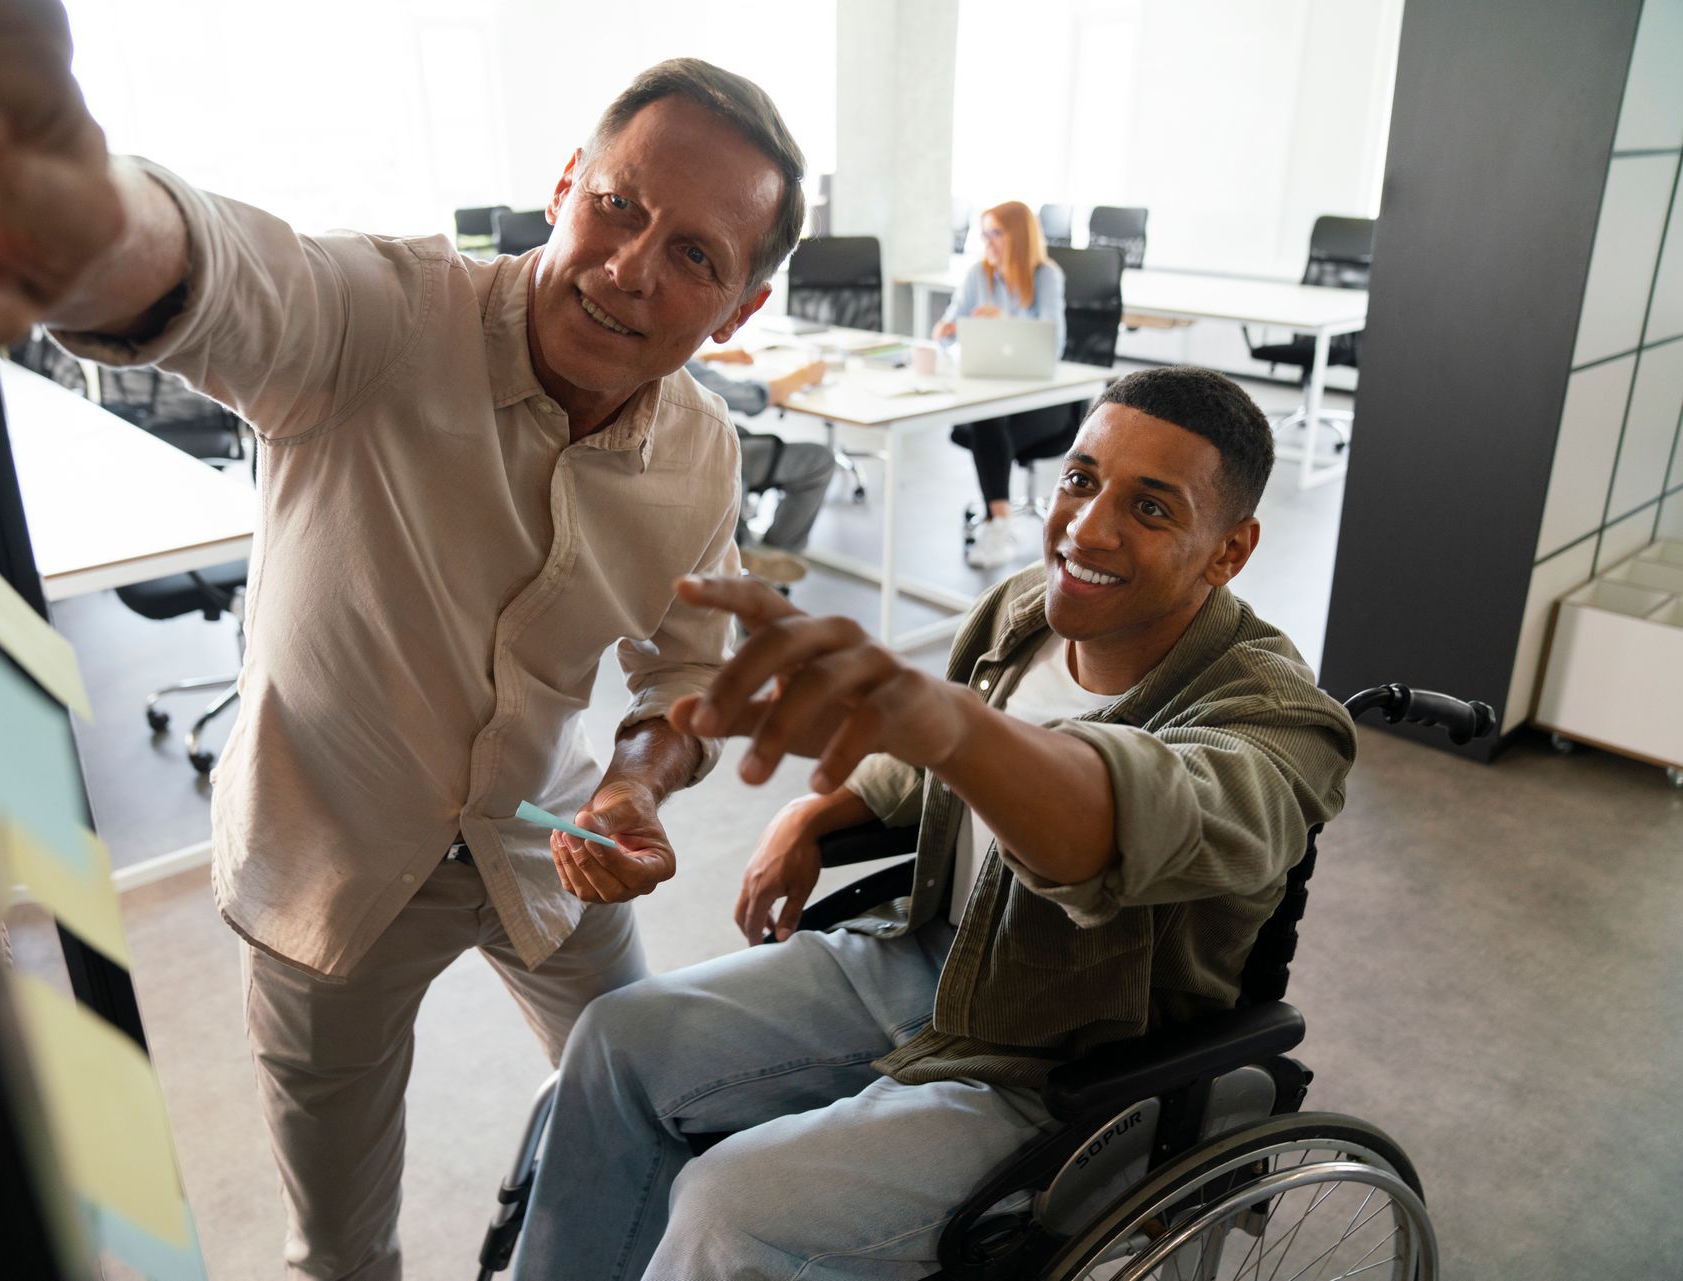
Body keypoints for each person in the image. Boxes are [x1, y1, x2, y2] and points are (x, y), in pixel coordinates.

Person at [0, 5, 808, 1278]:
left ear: (741, 305)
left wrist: (642, 775)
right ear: (566, 185)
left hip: (550, 848)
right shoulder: (388, 319)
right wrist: (74, 213)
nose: (628, 268)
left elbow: (687, 665)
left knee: (664, 1123)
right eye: (617, 206)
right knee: (340, 1250)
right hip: (332, 860)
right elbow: (229, 277)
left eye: (692, 254)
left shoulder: (702, 453)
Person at [510, 366, 1357, 1281]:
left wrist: (950, 724)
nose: (1088, 528)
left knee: (731, 1208)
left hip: (1067, 1064)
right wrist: (818, 809)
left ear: (1230, 550)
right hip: (932, 956)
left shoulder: (1276, 717)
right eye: (1080, 479)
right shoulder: (1023, 616)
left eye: (1151, 509)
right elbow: (930, 762)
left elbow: (1131, 817)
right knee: (614, 1042)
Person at [935, 201, 1069, 571]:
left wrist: (1003, 321)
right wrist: (949, 330)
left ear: (1019, 236)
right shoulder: (978, 275)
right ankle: (1001, 521)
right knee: (986, 416)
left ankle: (998, 524)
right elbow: (949, 328)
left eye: (996, 233)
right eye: (984, 234)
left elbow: (1053, 347)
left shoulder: (1046, 276)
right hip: (993, 395)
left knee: (987, 420)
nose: (988, 242)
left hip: (1045, 401)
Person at [685, 351, 833, 585]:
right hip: (708, 456)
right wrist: (806, 375)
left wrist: (716, 357)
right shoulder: (676, 360)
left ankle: (749, 550)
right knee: (818, 461)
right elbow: (754, 397)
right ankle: (773, 556)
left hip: (694, 452)